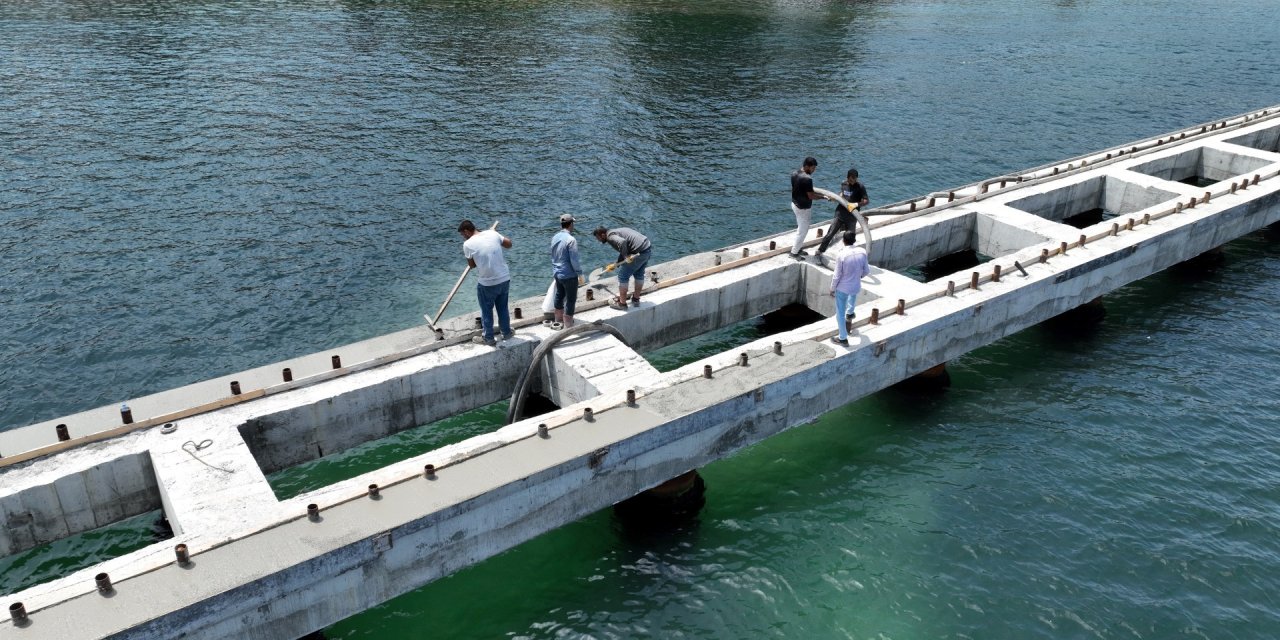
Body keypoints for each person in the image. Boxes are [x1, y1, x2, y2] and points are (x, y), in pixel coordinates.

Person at [457, 219, 514, 346]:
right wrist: (496, 237)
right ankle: (506, 332)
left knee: (486, 310)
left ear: (466, 231)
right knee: (503, 308)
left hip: (487, 283)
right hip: (504, 278)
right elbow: (509, 244)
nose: (462, 237)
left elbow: (471, 265)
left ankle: (488, 338)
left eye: (462, 234)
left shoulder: (467, 244)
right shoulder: (492, 234)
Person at [592, 226, 651, 309]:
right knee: (639, 274)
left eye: (598, 238)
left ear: (602, 235)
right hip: (646, 248)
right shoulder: (617, 231)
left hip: (638, 252)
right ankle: (636, 299)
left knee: (622, 276)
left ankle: (622, 304)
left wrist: (626, 256)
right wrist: (617, 263)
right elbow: (625, 247)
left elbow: (623, 242)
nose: (598, 240)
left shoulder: (610, 237)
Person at [829, 229, 869, 346]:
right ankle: (850, 312)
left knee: (840, 314)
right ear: (854, 240)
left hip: (842, 288)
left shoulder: (841, 255)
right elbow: (866, 271)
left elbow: (837, 275)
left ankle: (843, 338)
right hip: (856, 286)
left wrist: (832, 288)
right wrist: (857, 276)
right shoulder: (862, 251)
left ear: (843, 241)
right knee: (852, 294)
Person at [816, 167, 869, 257]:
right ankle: (820, 251)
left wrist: (856, 204)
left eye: (855, 179)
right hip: (840, 213)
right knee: (830, 233)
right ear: (848, 177)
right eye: (852, 179)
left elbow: (866, 201)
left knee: (851, 237)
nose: (854, 181)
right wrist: (835, 197)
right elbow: (842, 194)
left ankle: (849, 255)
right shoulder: (843, 184)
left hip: (852, 216)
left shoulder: (860, 187)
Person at [790, 156, 829, 260]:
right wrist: (823, 197)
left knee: (800, 228)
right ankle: (794, 253)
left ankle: (798, 248)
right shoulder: (807, 179)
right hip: (803, 208)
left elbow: (801, 189)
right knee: (803, 230)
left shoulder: (794, 173)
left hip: (795, 204)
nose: (814, 170)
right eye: (813, 168)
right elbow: (811, 195)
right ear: (807, 166)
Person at [549, 214, 583, 330]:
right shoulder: (571, 240)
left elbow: (553, 255)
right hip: (569, 275)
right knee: (571, 299)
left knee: (559, 294)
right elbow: (574, 260)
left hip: (557, 273)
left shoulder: (555, 237)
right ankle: (568, 325)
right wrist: (579, 273)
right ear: (571, 224)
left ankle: (558, 320)